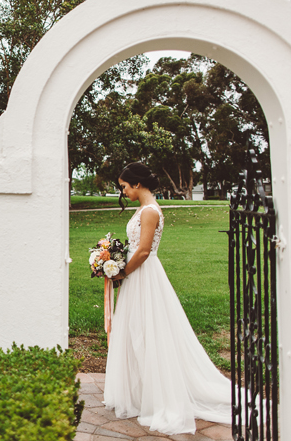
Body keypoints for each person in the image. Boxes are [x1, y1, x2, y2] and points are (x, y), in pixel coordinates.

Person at [103, 162, 231, 435]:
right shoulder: (142, 209)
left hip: (144, 275)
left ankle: (158, 396)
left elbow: (144, 251)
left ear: (137, 184)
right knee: (136, 330)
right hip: (137, 276)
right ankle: (140, 392)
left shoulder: (150, 211)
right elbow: (134, 248)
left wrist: (121, 272)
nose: (123, 191)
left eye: (124, 186)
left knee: (150, 331)